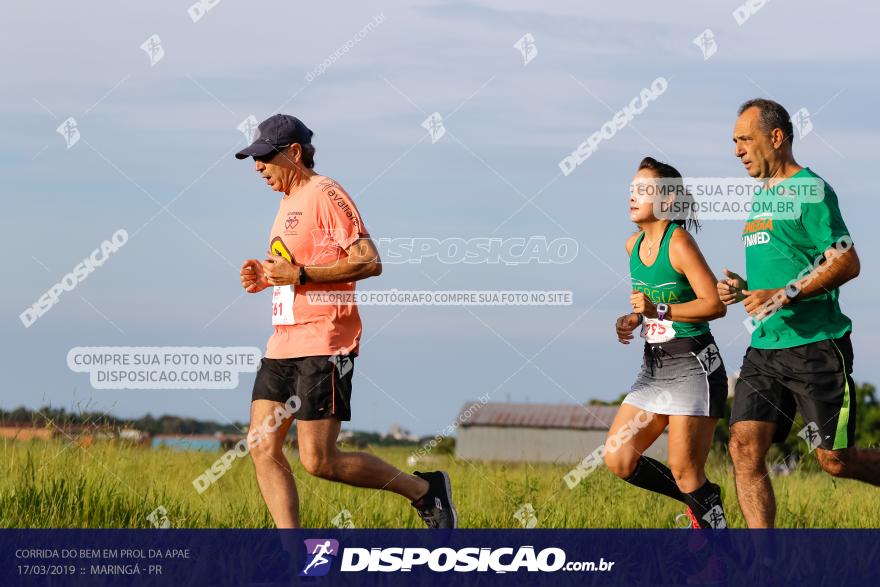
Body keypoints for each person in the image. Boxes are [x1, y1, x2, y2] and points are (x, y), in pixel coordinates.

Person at [236, 114, 457, 528]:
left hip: (326, 342)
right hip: (283, 342)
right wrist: (267, 275)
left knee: (318, 460)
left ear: (294, 153)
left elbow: (369, 261)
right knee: (261, 446)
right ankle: (292, 557)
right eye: (255, 158)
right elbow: (296, 265)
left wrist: (299, 274)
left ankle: (425, 492)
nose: (258, 167)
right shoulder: (286, 203)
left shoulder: (325, 191)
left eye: (265, 157)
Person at [719, 98, 878, 528]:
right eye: (733, 141)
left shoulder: (809, 189)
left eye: (744, 139)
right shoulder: (761, 198)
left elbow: (846, 261)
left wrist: (785, 293)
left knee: (835, 461)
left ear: (776, 137)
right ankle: (762, 565)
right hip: (766, 347)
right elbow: (782, 273)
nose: (736, 150)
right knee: (744, 448)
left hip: (815, 347)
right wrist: (746, 291)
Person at [606, 157, 729, 529]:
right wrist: (632, 319)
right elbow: (647, 308)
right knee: (619, 457)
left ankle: (722, 560)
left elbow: (714, 305)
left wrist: (657, 309)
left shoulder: (679, 242)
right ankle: (704, 500)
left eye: (643, 190)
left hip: (696, 365)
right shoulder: (633, 246)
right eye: (632, 189)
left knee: (685, 470)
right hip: (654, 366)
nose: (633, 196)